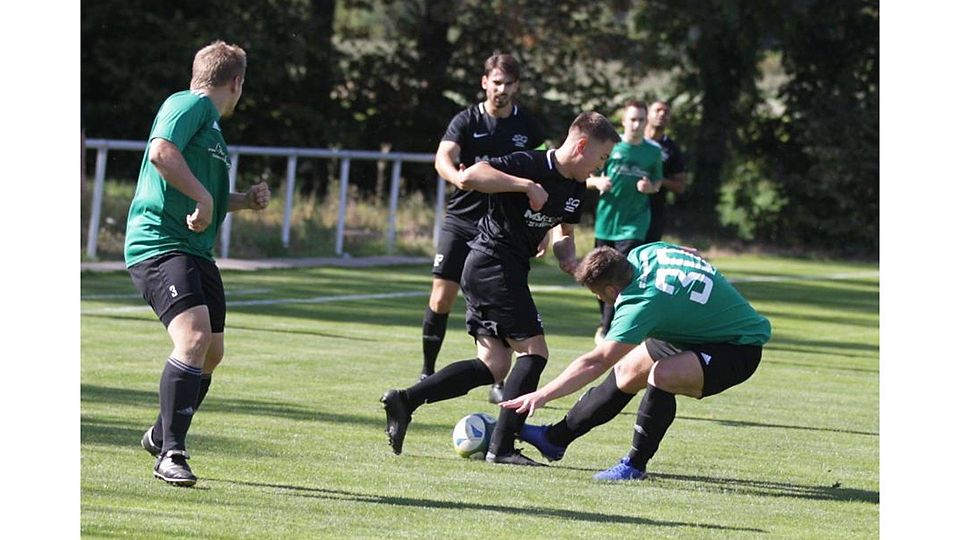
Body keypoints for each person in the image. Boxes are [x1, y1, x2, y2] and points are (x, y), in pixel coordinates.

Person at [381, 112, 620, 465]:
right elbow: (472, 175)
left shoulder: (576, 188)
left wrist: (569, 259)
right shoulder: (531, 163)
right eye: (600, 158)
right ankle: (502, 447)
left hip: (502, 269)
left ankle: (406, 400)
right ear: (581, 145)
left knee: (493, 365)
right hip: (491, 263)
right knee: (534, 352)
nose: (599, 168)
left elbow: (564, 235)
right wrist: (524, 185)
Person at [124, 41, 270, 487]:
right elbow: (160, 152)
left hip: (194, 251)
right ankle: (172, 453)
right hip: (160, 243)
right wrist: (204, 197)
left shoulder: (211, 129)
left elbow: (201, 193)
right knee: (193, 337)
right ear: (237, 83)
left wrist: (241, 200)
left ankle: (161, 433)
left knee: (212, 352)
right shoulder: (187, 104)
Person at [501, 243, 771, 480]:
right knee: (627, 370)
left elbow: (595, 362)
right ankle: (554, 440)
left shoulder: (640, 304)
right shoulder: (645, 252)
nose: (598, 298)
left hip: (737, 346)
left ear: (611, 288)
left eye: (598, 293)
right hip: (695, 333)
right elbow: (689, 252)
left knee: (662, 375)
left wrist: (543, 395)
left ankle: (635, 465)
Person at [423, 53, 545, 404]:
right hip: (462, 221)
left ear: (516, 86)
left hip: (504, 231)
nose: (501, 89)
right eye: (496, 82)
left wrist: (546, 230)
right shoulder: (467, 120)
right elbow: (443, 156)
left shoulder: (529, 127)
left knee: (503, 302)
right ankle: (428, 370)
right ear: (484, 82)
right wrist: (457, 177)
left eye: (508, 83)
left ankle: (497, 377)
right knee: (441, 296)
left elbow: (545, 173)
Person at [586, 100, 663, 344]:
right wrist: (597, 182)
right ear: (623, 120)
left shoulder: (652, 151)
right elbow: (586, 176)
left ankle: (610, 330)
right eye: (632, 119)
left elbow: (658, 183)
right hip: (606, 222)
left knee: (618, 274)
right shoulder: (612, 146)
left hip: (634, 225)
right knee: (597, 276)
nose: (637, 124)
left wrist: (650, 187)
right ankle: (604, 323)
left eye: (641, 119)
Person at [643, 100, 687, 244]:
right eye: (658, 110)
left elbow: (680, 186)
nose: (662, 114)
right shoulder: (632, 141)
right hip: (626, 208)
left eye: (666, 112)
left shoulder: (671, 149)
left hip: (654, 212)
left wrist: (660, 180)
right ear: (647, 114)